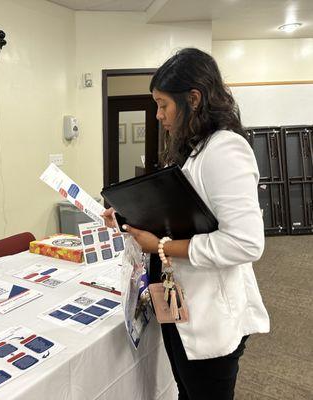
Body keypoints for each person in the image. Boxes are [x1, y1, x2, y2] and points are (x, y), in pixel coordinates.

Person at [104, 48, 269, 400]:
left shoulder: (225, 149)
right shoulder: (196, 149)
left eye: (164, 105)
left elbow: (246, 243)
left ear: (193, 99)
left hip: (211, 316)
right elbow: (183, 215)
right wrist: (128, 216)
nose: (159, 115)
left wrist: (160, 246)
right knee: (186, 392)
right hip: (182, 306)